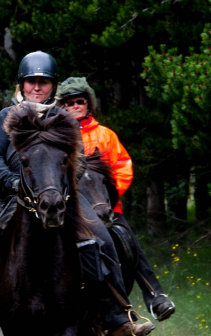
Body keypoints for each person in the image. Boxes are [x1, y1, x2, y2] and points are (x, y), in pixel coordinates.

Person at [0, 51, 154, 336]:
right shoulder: (7, 116)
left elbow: (80, 160)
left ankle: (117, 316)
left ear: (53, 85)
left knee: (102, 235)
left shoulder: (63, 117)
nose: (37, 87)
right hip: (12, 194)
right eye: (31, 82)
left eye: (44, 82)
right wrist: (12, 182)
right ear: (21, 84)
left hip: (60, 197)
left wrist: (60, 185)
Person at [57, 77, 175, 322]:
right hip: (71, 209)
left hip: (106, 206)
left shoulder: (105, 135)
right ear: (62, 107)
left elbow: (123, 167)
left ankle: (155, 296)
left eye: (80, 101)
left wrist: (109, 197)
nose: (75, 106)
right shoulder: (58, 137)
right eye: (69, 103)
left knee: (128, 241)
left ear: (89, 103)